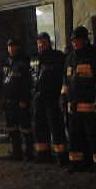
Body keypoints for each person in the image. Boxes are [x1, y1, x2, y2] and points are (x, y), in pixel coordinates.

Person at [61, 26, 96, 174]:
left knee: (94, 135)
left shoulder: (94, 56)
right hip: (73, 105)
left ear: (85, 40)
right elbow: (66, 80)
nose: (74, 43)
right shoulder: (69, 57)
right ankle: (76, 162)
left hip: (89, 104)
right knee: (74, 136)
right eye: (73, 40)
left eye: (77, 40)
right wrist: (63, 97)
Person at [30, 32, 68, 166]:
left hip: (52, 98)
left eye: (43, 42)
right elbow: (31, 77)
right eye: (39, 42)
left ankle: (61, 156)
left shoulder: (57, 57)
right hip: (38, 98)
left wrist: (61, 95)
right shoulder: (34, 58)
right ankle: (43, 154)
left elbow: (62, 77)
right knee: (39, 127)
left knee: (55, 126)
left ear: (49, 43)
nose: (41, 45)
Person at [2, 38, 34, 161]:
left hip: (20, 101)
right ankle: (17, 152)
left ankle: (29, 153)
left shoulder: (24, 61)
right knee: (12, 128)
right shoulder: (7, 62)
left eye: (13, 46)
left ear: (18, 47)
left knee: (25, 128)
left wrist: (25, 100)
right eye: (9, 46)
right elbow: (3, 82)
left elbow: (27, 82)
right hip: (9, 101)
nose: (11, 48)